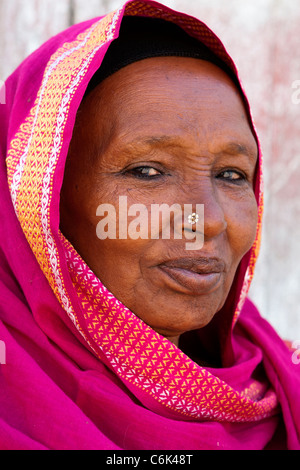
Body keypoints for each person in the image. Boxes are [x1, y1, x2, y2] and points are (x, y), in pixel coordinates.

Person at [0, 0, 299, 450]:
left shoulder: (273, 387)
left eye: (231, 175)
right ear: (41, 200)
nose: (210, 220)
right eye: (147, 171)